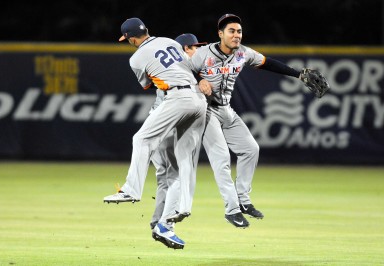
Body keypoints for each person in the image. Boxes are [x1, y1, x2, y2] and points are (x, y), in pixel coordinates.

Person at [190, 14, 325, 228]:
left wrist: (298, 75)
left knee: (251, 149)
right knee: (222, 157)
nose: (236, 35)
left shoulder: (243, 53)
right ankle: (231, 209)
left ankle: (243, 200)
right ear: (220, 34)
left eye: (239, 31)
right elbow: (183, 71)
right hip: (204, 110)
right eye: (231, 31)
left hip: (225, 109)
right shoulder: (203, 54)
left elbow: (267, 63)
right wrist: (199, 79)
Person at [103, 18, 207, 249]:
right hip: (199, 101)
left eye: (127, 39)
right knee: (181, 169)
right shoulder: (169, 41)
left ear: (130, 38)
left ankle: (131, 189)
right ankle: (165, 225)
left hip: (178, 98)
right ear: (147, 30)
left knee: (141, 139)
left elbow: (149, 84)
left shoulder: (136, 57)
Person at [149, 33, 207, 233]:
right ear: (182, 50)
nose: (197, 50)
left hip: (157, 126)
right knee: (178, 176)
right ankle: (165, 225)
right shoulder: (184, 72)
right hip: (169, 126)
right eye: (193, 47)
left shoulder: (171, 69)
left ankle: (158, 221)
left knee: (166, 177)